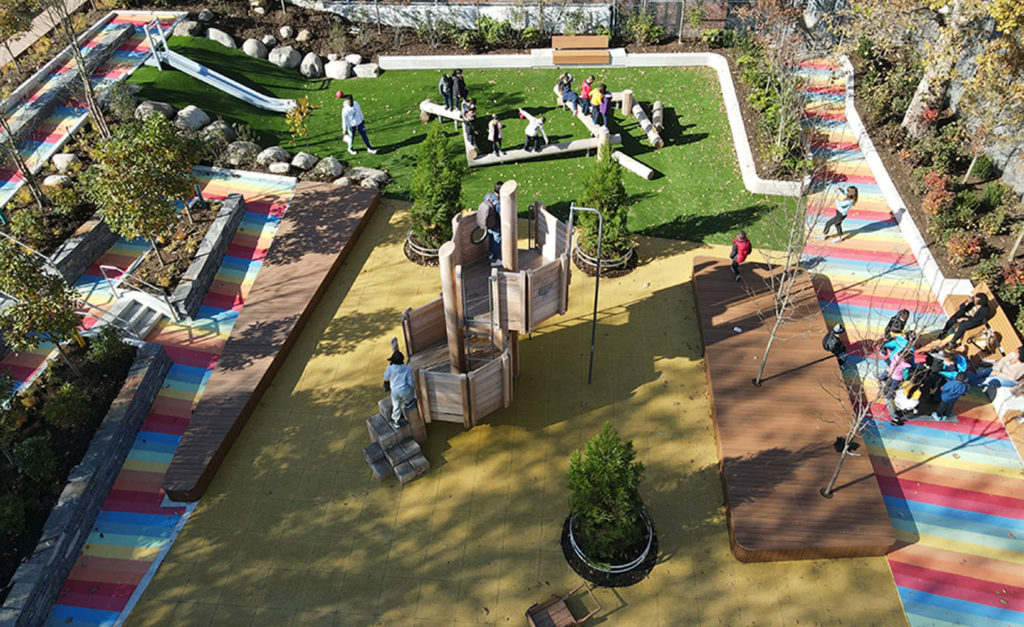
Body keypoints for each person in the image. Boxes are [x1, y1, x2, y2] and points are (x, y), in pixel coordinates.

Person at [383, 351, 416, 428]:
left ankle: (396, 421)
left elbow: (385, 377)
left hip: (394, 391)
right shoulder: (406, 368)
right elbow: (410, 382)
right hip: (404, 390)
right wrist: (413, 387)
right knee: (410, 393)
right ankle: (408, 402)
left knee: (396, 405)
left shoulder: (390, 368)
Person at [477, 183, 502, 266]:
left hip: (488, 223)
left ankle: (490, 254)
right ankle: (495, 260)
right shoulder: (498, 204)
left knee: (491, 238)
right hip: (495, 225)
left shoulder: (488, 196)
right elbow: (501, 215)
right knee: (497, 240)